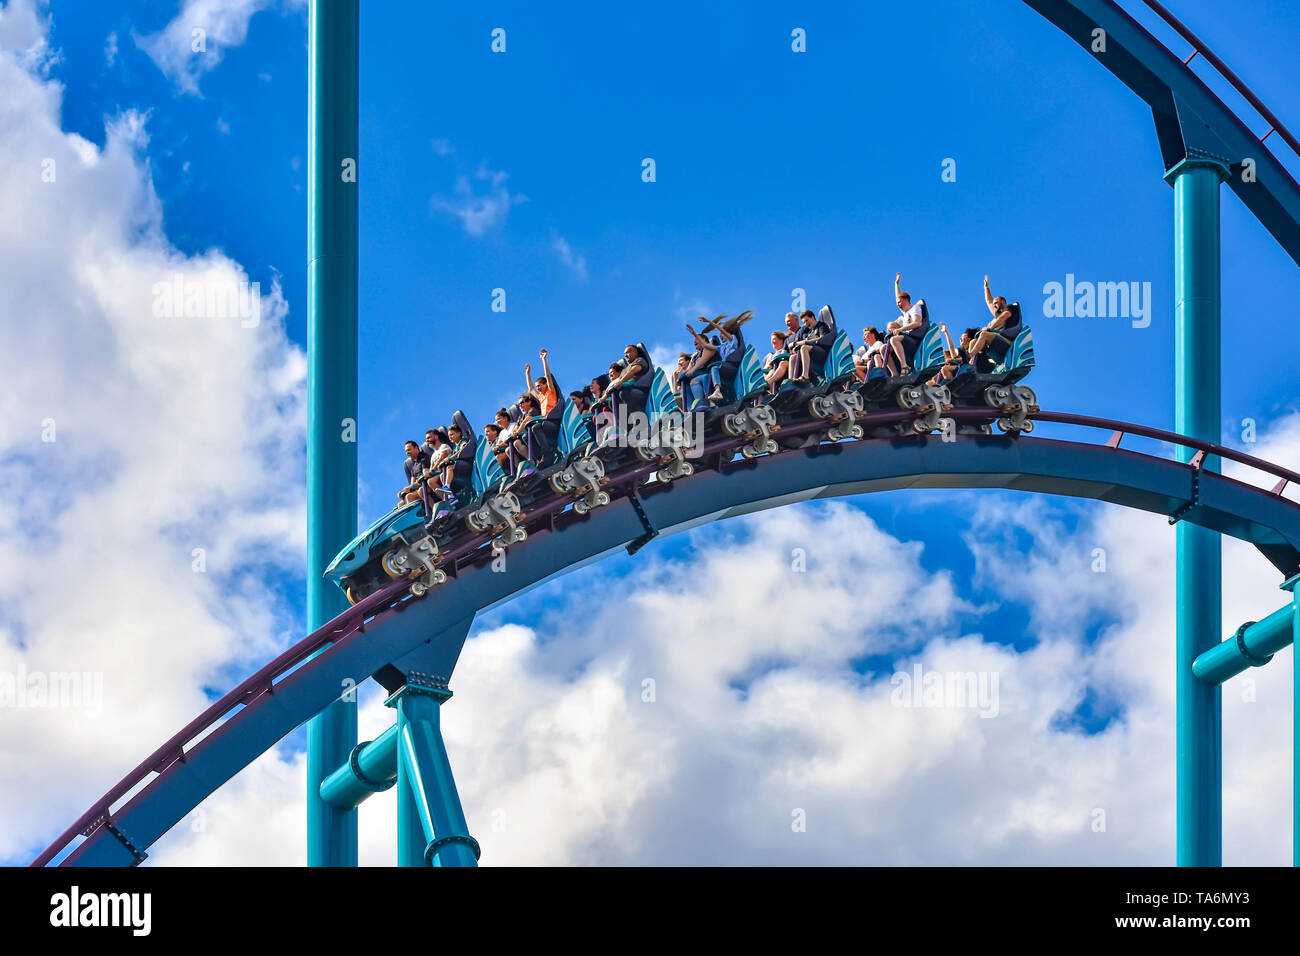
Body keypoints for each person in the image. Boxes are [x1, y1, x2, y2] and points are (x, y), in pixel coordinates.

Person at [968, 275, 1023, 366]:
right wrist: (986, 287)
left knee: (984, 334)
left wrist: (989, 328)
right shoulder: (998, 313)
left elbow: (1004, 316)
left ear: (1003, 302)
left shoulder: (1010, 307)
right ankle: (973, 366)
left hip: (1008, 342)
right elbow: (989, 301)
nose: (994, 305)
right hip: (997, 340)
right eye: (994, 304)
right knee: (973, 342)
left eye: (996, 302)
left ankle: (970, 357)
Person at [885, 272, 930, 375]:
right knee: (884, 348)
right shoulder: (905, 313)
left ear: (906, 300)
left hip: (915, 340)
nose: (898, 305)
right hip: (906, 340)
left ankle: (905, 366)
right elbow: (897, 296)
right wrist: (896, 283)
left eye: (900, 302)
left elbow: (917, 323)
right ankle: (895, 374)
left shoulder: (915, 308)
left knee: (894, 339)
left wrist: (900, 329)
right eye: (897, 303)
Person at [703, 310, 753, 402]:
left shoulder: (732, 340)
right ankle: (707, 400)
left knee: (714, 368)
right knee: (705, 376)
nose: (720, 335)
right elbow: (706, 345)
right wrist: (694, 333)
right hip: (726, 367)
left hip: (733, 367)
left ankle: (717, 391)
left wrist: (709, 322)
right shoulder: (721, 347)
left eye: (722, 334)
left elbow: (722, 330)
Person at [680, 321, 720, 411]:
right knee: (685, 385)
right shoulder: (695, 356)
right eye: (694, 344)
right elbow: (689, 370)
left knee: (696, 380)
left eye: (697, 343)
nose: (695, 345)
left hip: (709, 373)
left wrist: (694, 333)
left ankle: (706, 402)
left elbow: (702, 361)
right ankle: (690, 411)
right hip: (699, 374)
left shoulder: (709, 348)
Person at [789, 308, 831, 384]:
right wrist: (799, 344)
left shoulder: (821, 325)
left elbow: (823, 338)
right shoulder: (810, 332)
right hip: (813, 353)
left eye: (806, 321)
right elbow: (805, 341)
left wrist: (804, 342)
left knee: (804, 348)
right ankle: (791, 380)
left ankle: (805, 376)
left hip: (823, 352)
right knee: (793, 357)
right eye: (804, 322)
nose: (805, 324)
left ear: (812, 317)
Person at [524, 348, 560, 416]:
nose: (537, 388)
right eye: (537, 386)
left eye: (539, 385)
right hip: (544, 419)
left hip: (553, 416)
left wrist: (544, 359)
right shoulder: (540, 397)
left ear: (545, 384)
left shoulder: (550, 390)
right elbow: (531, 389)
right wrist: (527, 374)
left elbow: (548, 375)